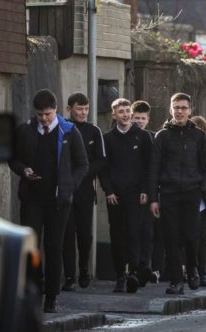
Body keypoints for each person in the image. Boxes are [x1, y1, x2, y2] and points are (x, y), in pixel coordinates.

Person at [9, 89, 88, 314]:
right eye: (40, 115)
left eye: (48, 114)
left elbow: (83, 164)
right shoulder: (25, 130)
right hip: (32, 197)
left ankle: (51, 296)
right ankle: (36, 286)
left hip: (58, 200)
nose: (44, 119)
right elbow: (12, 158)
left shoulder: (70, 132)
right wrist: (24, 170)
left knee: (54, 246)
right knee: (32, 246)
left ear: (56, 110)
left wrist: (69, 185)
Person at [148, 93, 206, 295]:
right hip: (169, 193)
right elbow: (154, 169)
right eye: (176, 107)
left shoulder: (199, 136)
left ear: (190, 110)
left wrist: (203, 188)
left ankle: (192, 270)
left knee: (192, 237)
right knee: (172, 239)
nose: (180, 111)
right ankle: (176, 281)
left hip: (192, 193)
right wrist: (153, 199)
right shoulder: (162, 136)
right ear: (170, 110)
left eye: (183, 108)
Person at [100, 99, 153, 293]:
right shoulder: (107, 138)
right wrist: (108, 190)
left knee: (133, 233)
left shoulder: (143, 136)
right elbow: (103, 168)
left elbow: (149, 167)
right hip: (115, 194)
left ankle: (133, 273)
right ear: (114, 115)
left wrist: (146, 190)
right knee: (117, 235)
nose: (125, 115)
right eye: (120, 112)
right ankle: (120, 276)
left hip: (136, 193)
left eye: (127, 111)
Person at [62, 93, 107, 292]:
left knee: (85, 234)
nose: (83, 113)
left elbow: (102, 160)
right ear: (69, 108)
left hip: (86, 190)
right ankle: (69, 276)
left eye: (86, 109)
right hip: (65, 189)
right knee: (67, 233)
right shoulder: (64, 129)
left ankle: (84, 270)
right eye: (80, 109)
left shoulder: (93, 131)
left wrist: (83, 173)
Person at [131, 100, 162, 283]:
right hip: (130, 191)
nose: (140, 121)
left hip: (149, 192)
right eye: (137, 118)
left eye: (143, 118)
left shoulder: (153, 137)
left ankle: (147, 266)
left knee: (148, 232)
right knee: (132, 232)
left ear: (148, 119)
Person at [190, 115, 206, 285]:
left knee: (199, 238)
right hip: (192, 197)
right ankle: (198, 272)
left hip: (199, 199)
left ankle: (198, 271)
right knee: (197, 239)